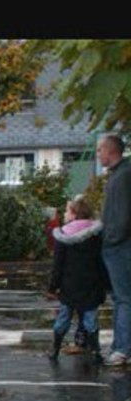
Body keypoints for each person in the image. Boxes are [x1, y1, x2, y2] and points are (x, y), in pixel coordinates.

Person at [46, 196, 108, 363]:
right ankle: (96, 351)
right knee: (90, 319)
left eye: (67, 211)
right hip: (91, 286)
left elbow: (58, 266)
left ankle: (55, 348)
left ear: (74, 214)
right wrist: (105, 285)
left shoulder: (63, 236)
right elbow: (101, 262)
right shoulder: (96, 234)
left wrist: (53, 287)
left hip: (69, 286)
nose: (65, 214)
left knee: (63, 317)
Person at [97, 133, 131, 366]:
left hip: (119, 247)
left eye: (100, 150)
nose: (98, 154)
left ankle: (122, 348)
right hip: (118, 245)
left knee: (123, 298)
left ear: (110, 151)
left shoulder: (122, 177)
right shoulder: (119, 175)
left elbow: (121, 218)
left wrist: (109, 240)